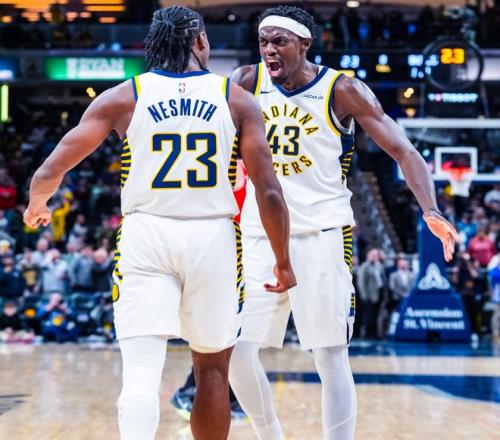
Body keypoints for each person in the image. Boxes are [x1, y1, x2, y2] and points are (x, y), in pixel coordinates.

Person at [23, 6, 295, 440]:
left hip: (146, 234)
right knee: (212, 371)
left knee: (142, 369)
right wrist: (282, 261)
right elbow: (270, 193)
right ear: (200, 41)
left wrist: (38, 204)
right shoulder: (237, 99)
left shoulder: (123, 97)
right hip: (214, 237)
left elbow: (49, 172)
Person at [227, 6, 459, 440]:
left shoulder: (341, 89)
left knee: (330, 355)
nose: (269, 49)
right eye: (264, 41)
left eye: (279, 41)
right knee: (235, 352)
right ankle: (270, 435)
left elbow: (404, 151)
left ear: (304, 43)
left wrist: (430, 208)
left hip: (322, 235)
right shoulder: (245, 81)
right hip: (258, 236)